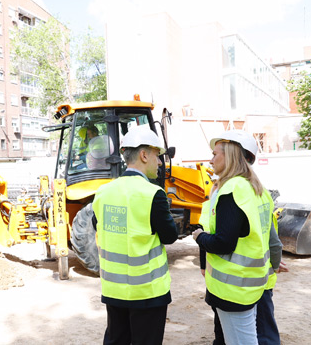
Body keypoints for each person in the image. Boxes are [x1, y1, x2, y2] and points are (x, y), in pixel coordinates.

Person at [92, 126, 178, 344]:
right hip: (147, 292)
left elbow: (98, 224)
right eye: (157, 156)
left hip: (113, 290)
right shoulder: (153, 194)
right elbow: (170, 236)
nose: (159, 162)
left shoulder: (103, 192)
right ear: (144, 155)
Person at [192, 129, 278, 345]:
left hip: (233, 290)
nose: (211, 160)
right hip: (253, 285)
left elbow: (223, 243)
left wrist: (199, 237)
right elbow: (269, 237)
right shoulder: (258, 189)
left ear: (230, 155)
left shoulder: (232, 189)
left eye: (215, 154)